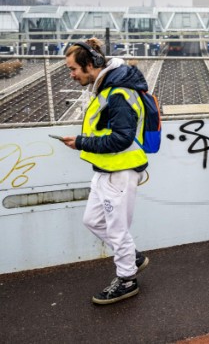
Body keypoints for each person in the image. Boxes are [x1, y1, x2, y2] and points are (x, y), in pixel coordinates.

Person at [59, 38, 151, 305]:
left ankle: (127, 280)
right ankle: (132, 256)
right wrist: (82, 142)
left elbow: (121, 138)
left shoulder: (118, 93)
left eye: (74, 68)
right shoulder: (106, 88)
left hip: (119, 171)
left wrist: (81, 143)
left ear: (91, 64)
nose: (72, 74)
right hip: (105, 168)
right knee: (92, 220)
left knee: (118, 229)